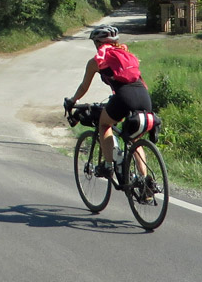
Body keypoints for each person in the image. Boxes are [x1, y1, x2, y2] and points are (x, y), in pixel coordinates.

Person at [65, 24, 153, 184]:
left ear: (99, 43)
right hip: (144, 95)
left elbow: (84, 87)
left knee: (104, 124)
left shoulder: (97, 60)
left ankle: (107, 165)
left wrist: (72, 101)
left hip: (124, 97)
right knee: (134, 138)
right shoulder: (126, 54)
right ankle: (144, 181)